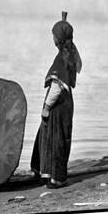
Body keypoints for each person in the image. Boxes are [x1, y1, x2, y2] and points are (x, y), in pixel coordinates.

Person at [30, 11, 82, 189]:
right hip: (67, 105)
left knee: (53, 139)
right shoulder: (71, 54)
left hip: (57, 105)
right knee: (59, 139)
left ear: (57, 40)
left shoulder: (61, 59)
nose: (52, 39)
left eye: (53, 36)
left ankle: (53, 179)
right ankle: (53, 176)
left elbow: (56, 87)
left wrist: (46, 107)